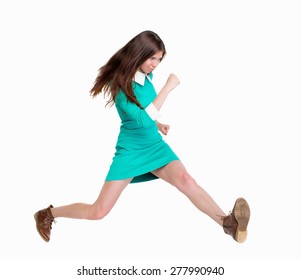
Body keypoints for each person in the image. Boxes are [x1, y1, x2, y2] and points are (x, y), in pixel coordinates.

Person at [34, 30, 250, 243]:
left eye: (159, 59)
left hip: (153, 144)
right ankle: (48, 214)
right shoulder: (119, 85)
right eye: (152, 58)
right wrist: (168, 87)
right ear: (139, 54)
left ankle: (228, 224)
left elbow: (143, 112)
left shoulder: (146, 75)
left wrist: (158, 124)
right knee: (98, 211)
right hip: (132, 150)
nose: (155, 64)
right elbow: (139, 120)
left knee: (186, 180)